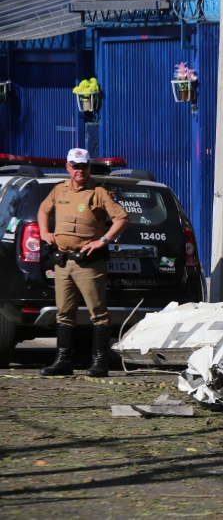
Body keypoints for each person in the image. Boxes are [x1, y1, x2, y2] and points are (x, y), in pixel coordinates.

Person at [38, 148, 130, 377]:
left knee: (98, 313)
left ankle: (100, 362)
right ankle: (62, 361)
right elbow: (43, 209)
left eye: (84, 166)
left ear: (89, 167)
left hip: (87, 262)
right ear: (67, 167)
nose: (79, 170)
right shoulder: (59, 189)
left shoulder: (99, 192)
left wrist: (103, 240)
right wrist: (44, 232)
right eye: (75, 166)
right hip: (62, 262)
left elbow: (122, 218)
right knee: (63, 313)